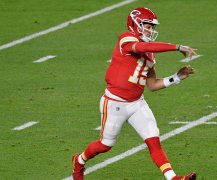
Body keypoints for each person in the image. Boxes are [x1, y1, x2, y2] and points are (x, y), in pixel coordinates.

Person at [72, 7, 197, 180]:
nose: (151, 30)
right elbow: (141, 46)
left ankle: (174, 178)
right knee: (105, 144)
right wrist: (177, 47)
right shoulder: (127, 38)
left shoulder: (150, 52)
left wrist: (177, 77)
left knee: (153, 139)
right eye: (148, 25)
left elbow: (152, 85)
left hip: (137, 103)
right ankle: (79, 161)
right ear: (136, 24)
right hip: (115, 102)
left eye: (152, 27)